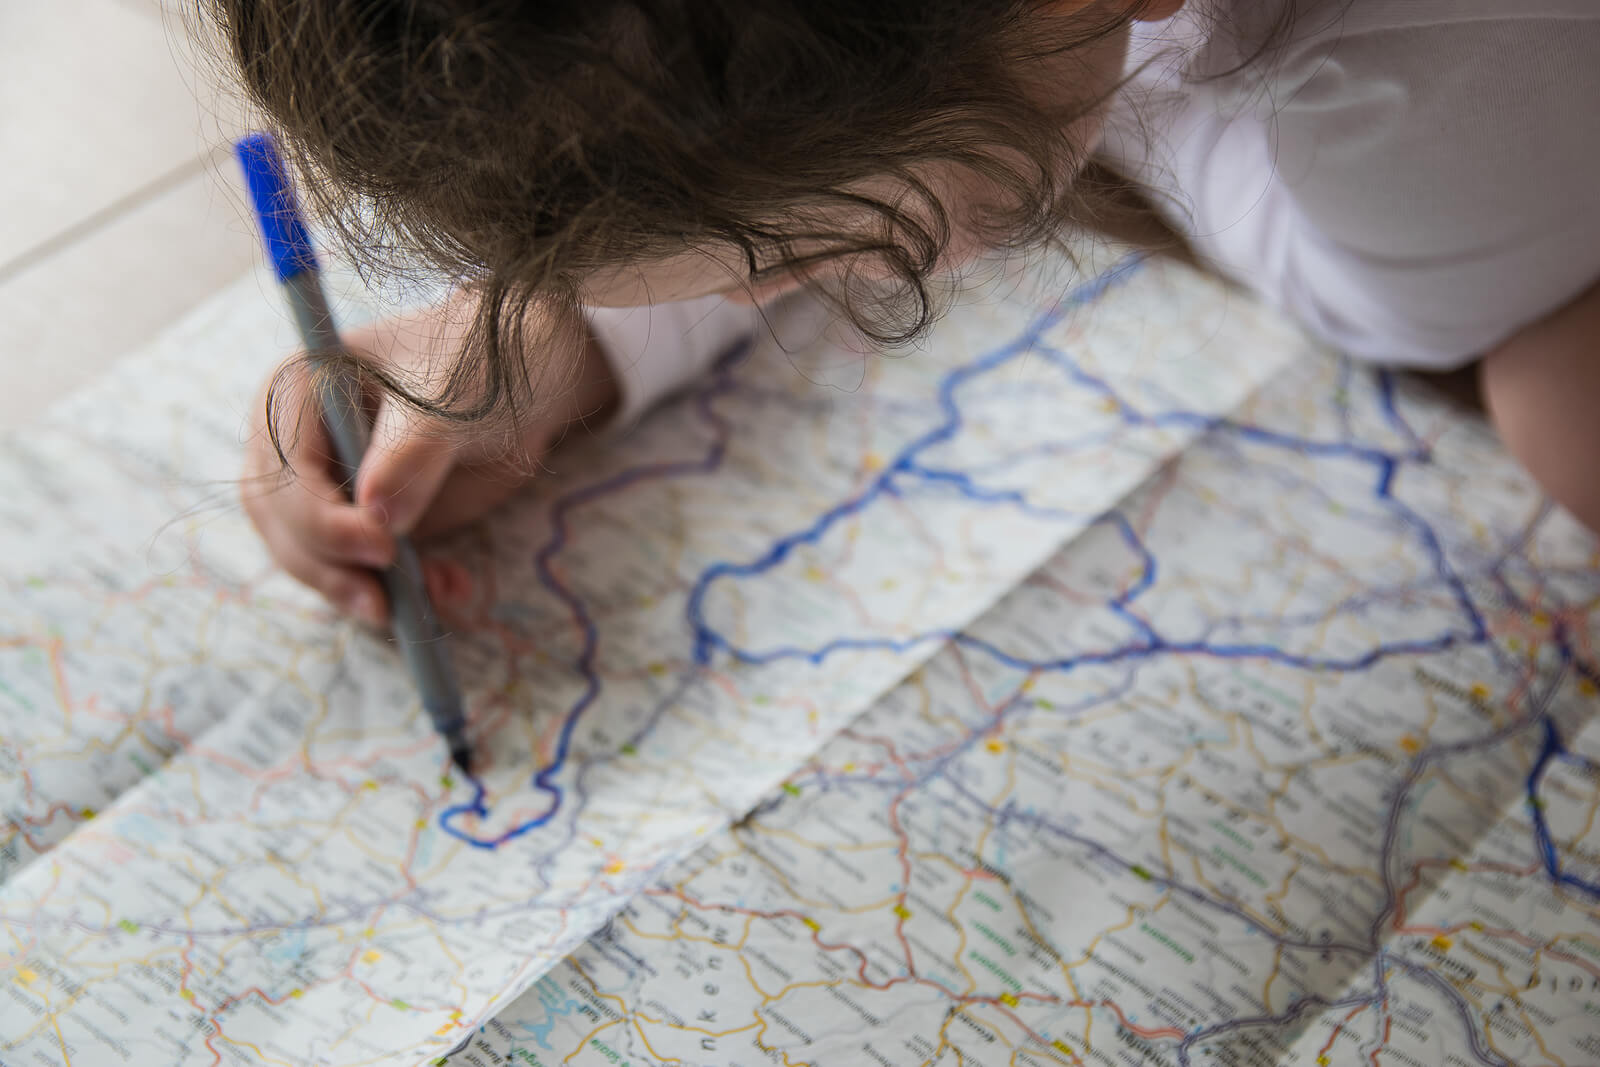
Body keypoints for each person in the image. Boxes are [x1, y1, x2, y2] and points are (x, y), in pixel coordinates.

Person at [200, 0, 1600, 627]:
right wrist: (555, 341)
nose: (769, 294)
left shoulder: (1411, 110)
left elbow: (1403, 298)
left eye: (782, 261)